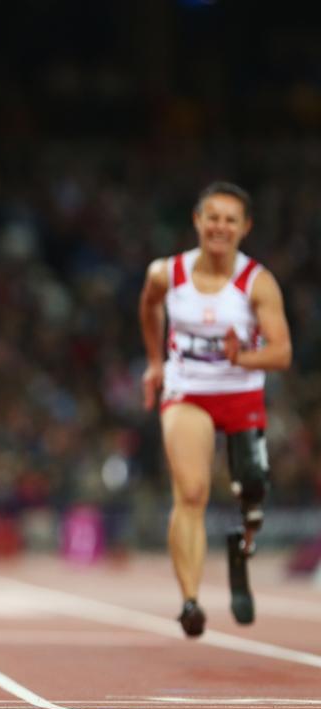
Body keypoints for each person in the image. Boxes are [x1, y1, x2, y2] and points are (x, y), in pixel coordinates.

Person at [138, 181, 291, 638]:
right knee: (191, 492)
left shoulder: (257, 283)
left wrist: (240, 357)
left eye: (230, 220)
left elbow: (282, 353)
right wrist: (153, 362)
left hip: (241, 391)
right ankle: (190, 601)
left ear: (245, 228)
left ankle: (242, 547)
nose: (220, 227)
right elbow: (149, 308)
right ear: (197, 221)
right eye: (213, 218)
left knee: (254, 492)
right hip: (188, 393)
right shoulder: (167, 274)